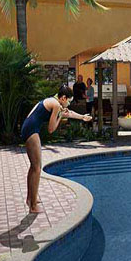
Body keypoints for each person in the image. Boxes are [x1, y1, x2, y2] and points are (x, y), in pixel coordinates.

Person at [21, 85, 92, 213]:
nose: (69, 103)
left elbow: (68, 113)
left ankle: (30, 198)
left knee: (34, 167)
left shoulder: (54, 101)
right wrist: (60, 116)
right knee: (37, 167)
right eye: (69, 101)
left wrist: (82, 117)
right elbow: (51, 129)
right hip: (31, 130)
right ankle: (33, 207)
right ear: (63, 98)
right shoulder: (56, 105)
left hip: (29, 127)